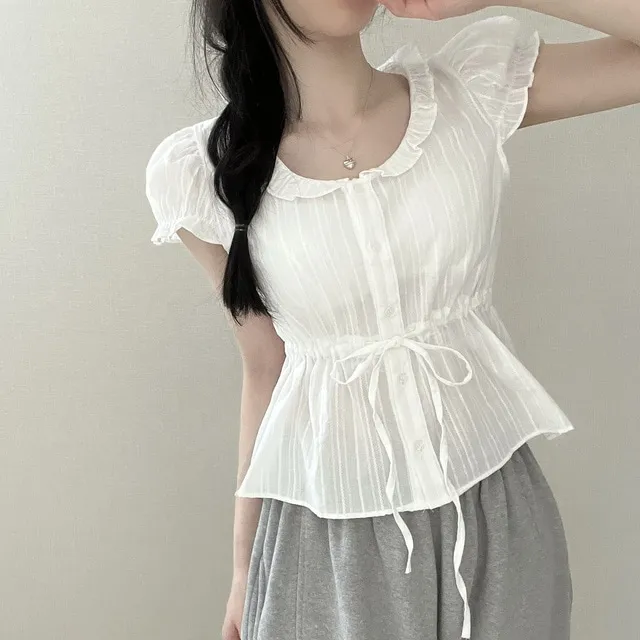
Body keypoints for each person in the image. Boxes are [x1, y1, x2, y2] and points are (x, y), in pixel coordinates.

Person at [145, 1, 640, 638]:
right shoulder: (206, 172)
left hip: (496, 518)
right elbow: (267, 367)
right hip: (326, 539)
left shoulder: (470, 90)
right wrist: (244, 569)